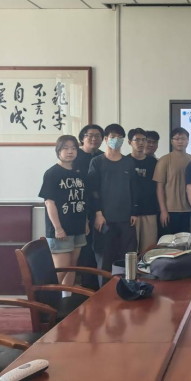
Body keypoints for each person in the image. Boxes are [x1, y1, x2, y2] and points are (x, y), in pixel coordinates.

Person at [88, 124, 138, 283]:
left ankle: (127, 289)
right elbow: (93, 190)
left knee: (127, 258)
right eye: (112, 137)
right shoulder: (97, 162)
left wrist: (134, 212)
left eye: (119, 137)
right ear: (105, 139)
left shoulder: (128, 162)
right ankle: (104, 293)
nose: (116, 140)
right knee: (105, 259)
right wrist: (98, 213)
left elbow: (133, 188)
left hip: (126, 219)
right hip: (105, 219)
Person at [39, 135, 89, 289]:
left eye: (73, 148)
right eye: (66, 148)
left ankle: (66, 297)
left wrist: (86, 222)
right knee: (61, 269)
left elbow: (83, 199)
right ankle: (45, 299)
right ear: (58, 151)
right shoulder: (52, 173)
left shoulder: (80, 172)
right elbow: (49, 202)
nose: (70, 151)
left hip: (78, 227)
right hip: (60, 229)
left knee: (72, 266)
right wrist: (58, 228)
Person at [73, 124, 104, 290]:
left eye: (98, 136)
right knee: (83, 249)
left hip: (99, 209)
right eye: (90, 135)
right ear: (82, 138)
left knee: (98, 247)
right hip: (78, 210)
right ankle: (85, 288)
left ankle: (98, 287)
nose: (94, 139)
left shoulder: (102, 157)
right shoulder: (74, 157)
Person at [153, 127, 191, 235]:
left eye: (183, 138)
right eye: (176, 139)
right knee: (168, 242)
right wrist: (163, 211)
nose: (180, 141)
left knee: (186, 242)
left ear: (188, 141)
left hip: (188, 210)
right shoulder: (164, 160)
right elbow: (159, 188)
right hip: (169, 210)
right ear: (171, 141)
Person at [129, 128, 160, 252]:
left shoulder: (154, 162)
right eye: (137, 140)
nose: (141, 143)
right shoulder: (124, 161)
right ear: (130, 142)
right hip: (130, 213)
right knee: (131, 248)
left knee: (149, 250)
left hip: (150, 210)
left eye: (144, 140)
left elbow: (158, 186)